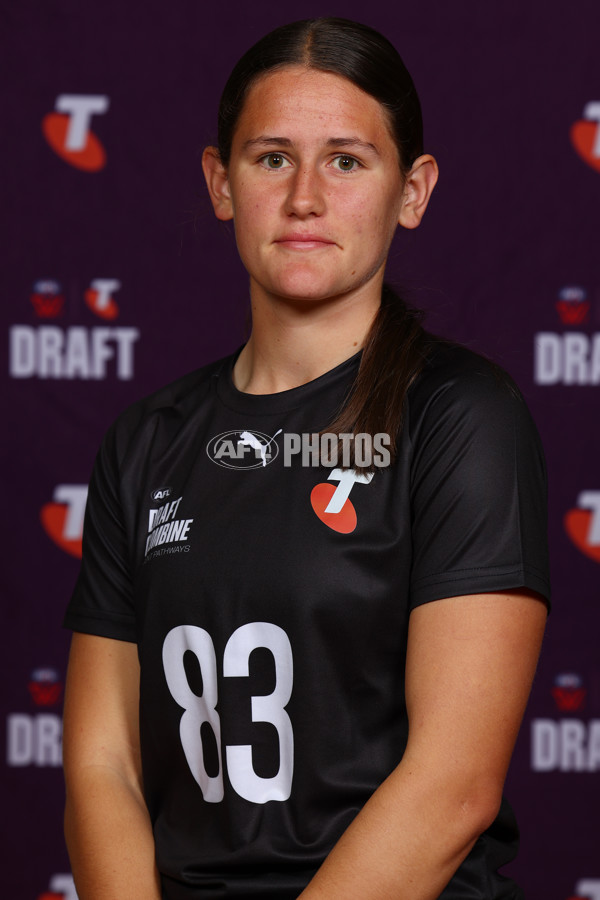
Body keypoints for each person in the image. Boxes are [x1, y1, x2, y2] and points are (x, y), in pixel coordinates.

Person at [62, 17, 550, 900]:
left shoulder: (459, 417)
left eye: (349, 161)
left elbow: (453, 790)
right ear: (221, 182)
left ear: (414, 189)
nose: (306, 199)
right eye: (273, 158)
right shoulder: (145, 441)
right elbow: (104, 766)